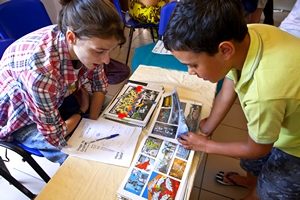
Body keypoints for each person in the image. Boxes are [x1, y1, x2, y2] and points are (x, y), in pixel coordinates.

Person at [163, 0, 300, 199]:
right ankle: (250, 182)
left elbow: (257, 147)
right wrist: (208, 127)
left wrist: (206, 145)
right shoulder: (249, 34)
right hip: (281, 114)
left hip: (295, 148)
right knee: (254, 163)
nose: (190, 72)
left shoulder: (264, 95)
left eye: (193, 64)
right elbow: (230, 83)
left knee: (270, 191)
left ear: (225, 50)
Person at [0, 0, 126, 165]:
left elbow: (99, 86)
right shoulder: (41, 73)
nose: (106, 60)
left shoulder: (87, 41)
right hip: (21, 118)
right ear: (71, 37)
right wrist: (81, 114)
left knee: (118, 112)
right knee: (80, 161)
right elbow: (55, 136)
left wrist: (93, 122)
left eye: (109, 50)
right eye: (100, 51)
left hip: (57, 98)